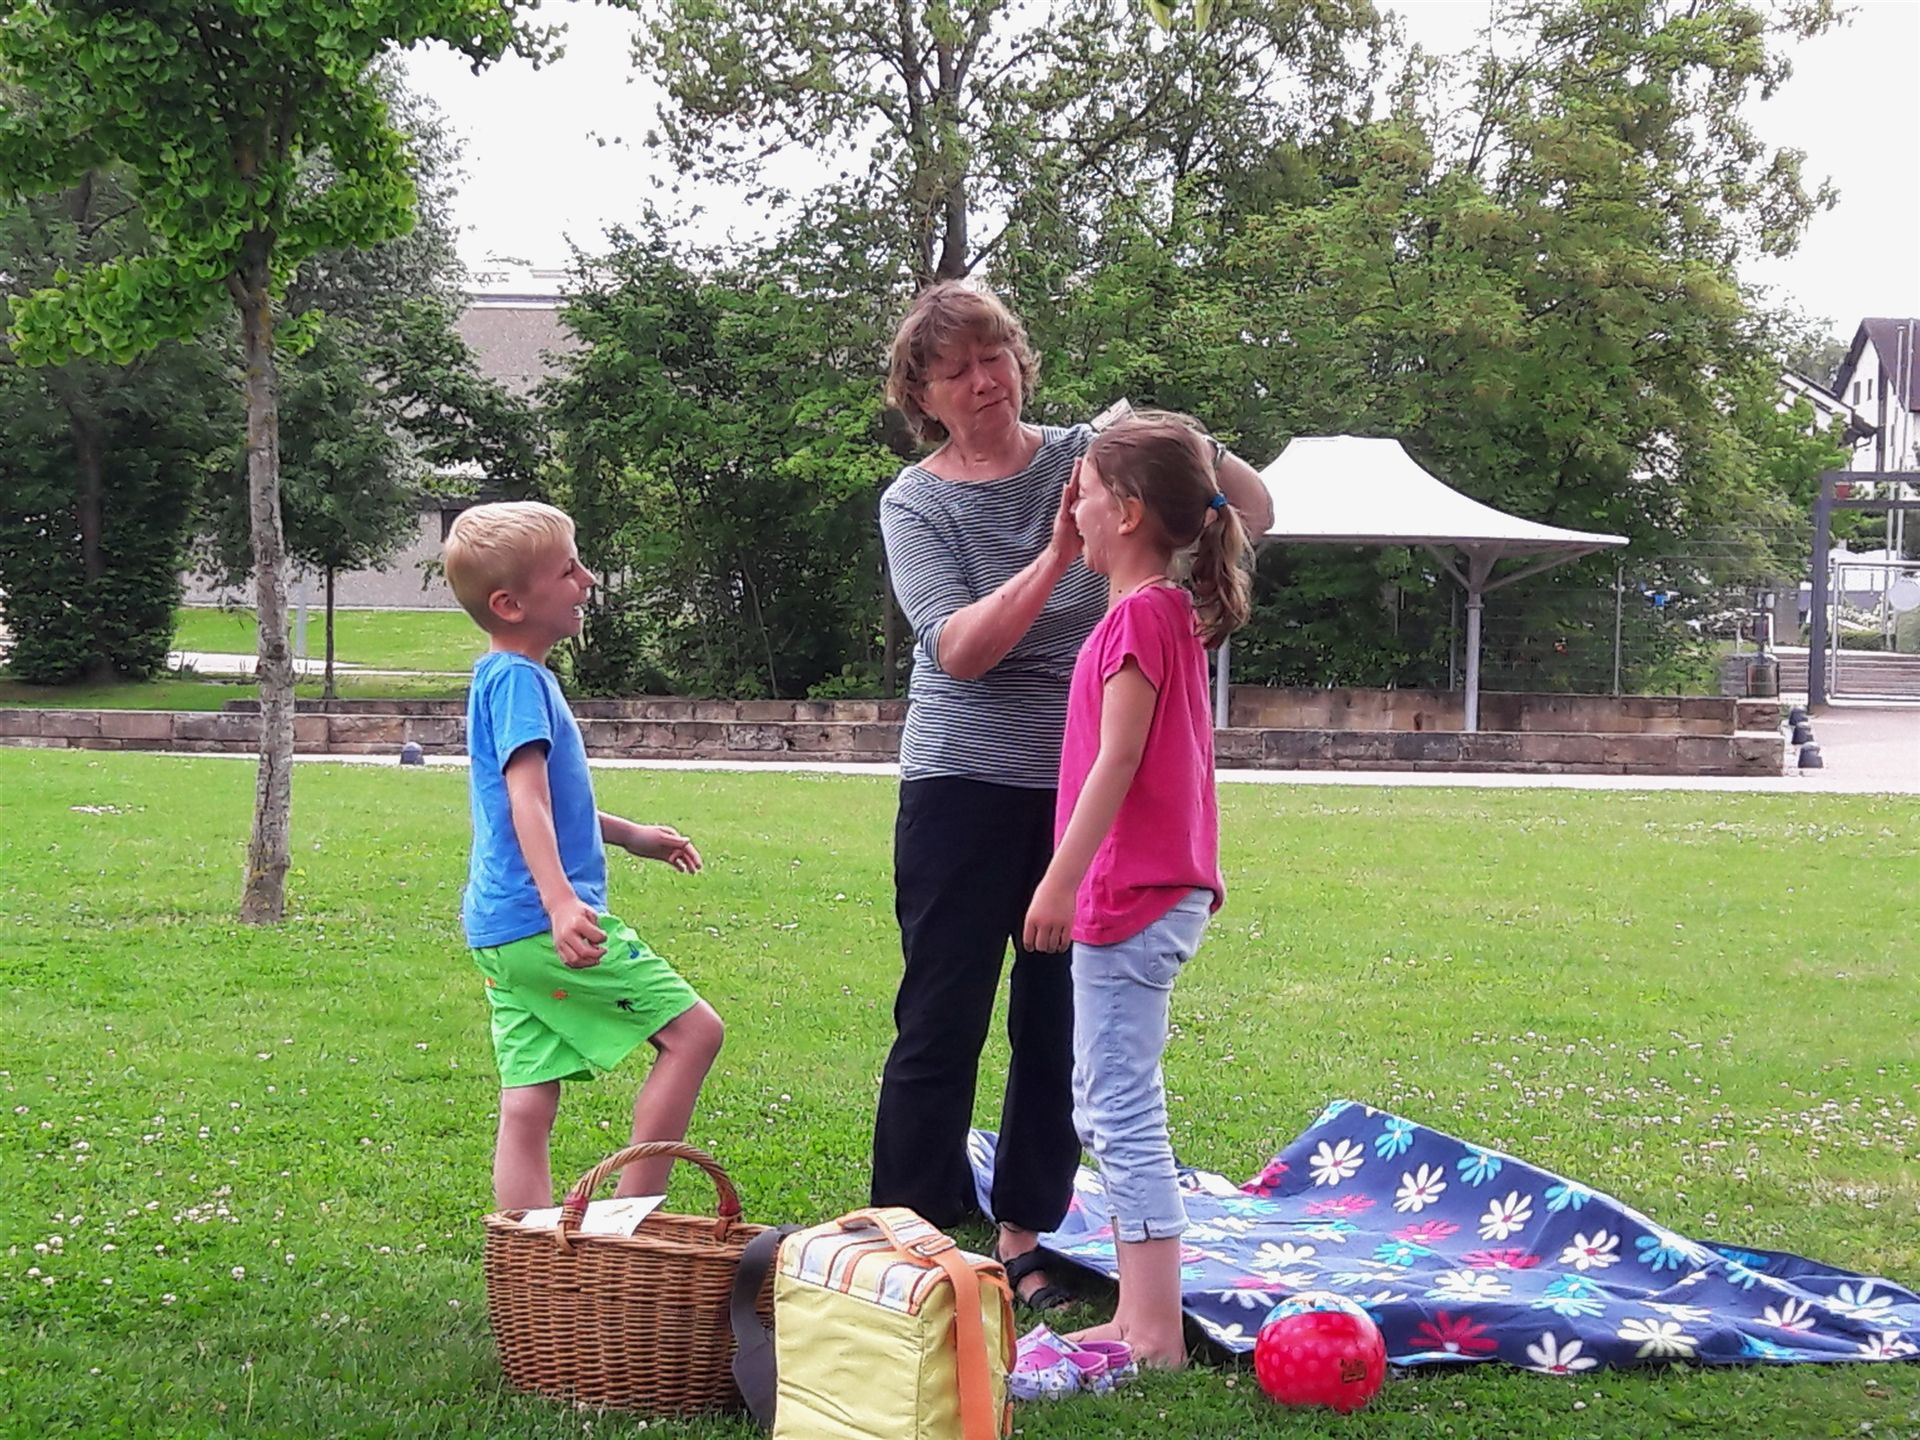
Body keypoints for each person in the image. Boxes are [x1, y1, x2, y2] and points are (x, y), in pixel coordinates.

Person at [871, 281, 1273, 1309]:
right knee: (939, 1016)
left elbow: (1250, 509)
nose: (984, 380)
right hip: (961, 782)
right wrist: (1055, 558)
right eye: (956, 370)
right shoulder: (916, 501)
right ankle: (912, 1233)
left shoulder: (1091, 455)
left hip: (1086, 794)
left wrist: (1183, 442)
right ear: (922, 395)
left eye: (995, 355)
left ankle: (1025, 1233)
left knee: (1056, 1023)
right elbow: (959, 650)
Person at [1021, 412, 1253, 1369]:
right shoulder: (1160, 613)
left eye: (1079, 494)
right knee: (1105, 1098)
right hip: (1148, 892)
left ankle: (1151, 1332)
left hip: (1132, 893)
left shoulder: (1139, 617)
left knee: (1118, 1107)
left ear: (1122, 510)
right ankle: (1136, 1315)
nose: (1068, 510)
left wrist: (1057, 883)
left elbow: (1116, 761)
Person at [443, 501, 726, 1210]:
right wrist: (561, 900)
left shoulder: (500, 677)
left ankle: (528, 1251)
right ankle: (634, 1219)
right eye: (568, 570)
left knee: (528, 1100)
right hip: (538, 921)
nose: (588, 579)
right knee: (694, 1034)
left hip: (500, 930)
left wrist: (630, 836)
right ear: (510, 605)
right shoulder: (519, 681)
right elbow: (526, 802)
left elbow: (546, 804)